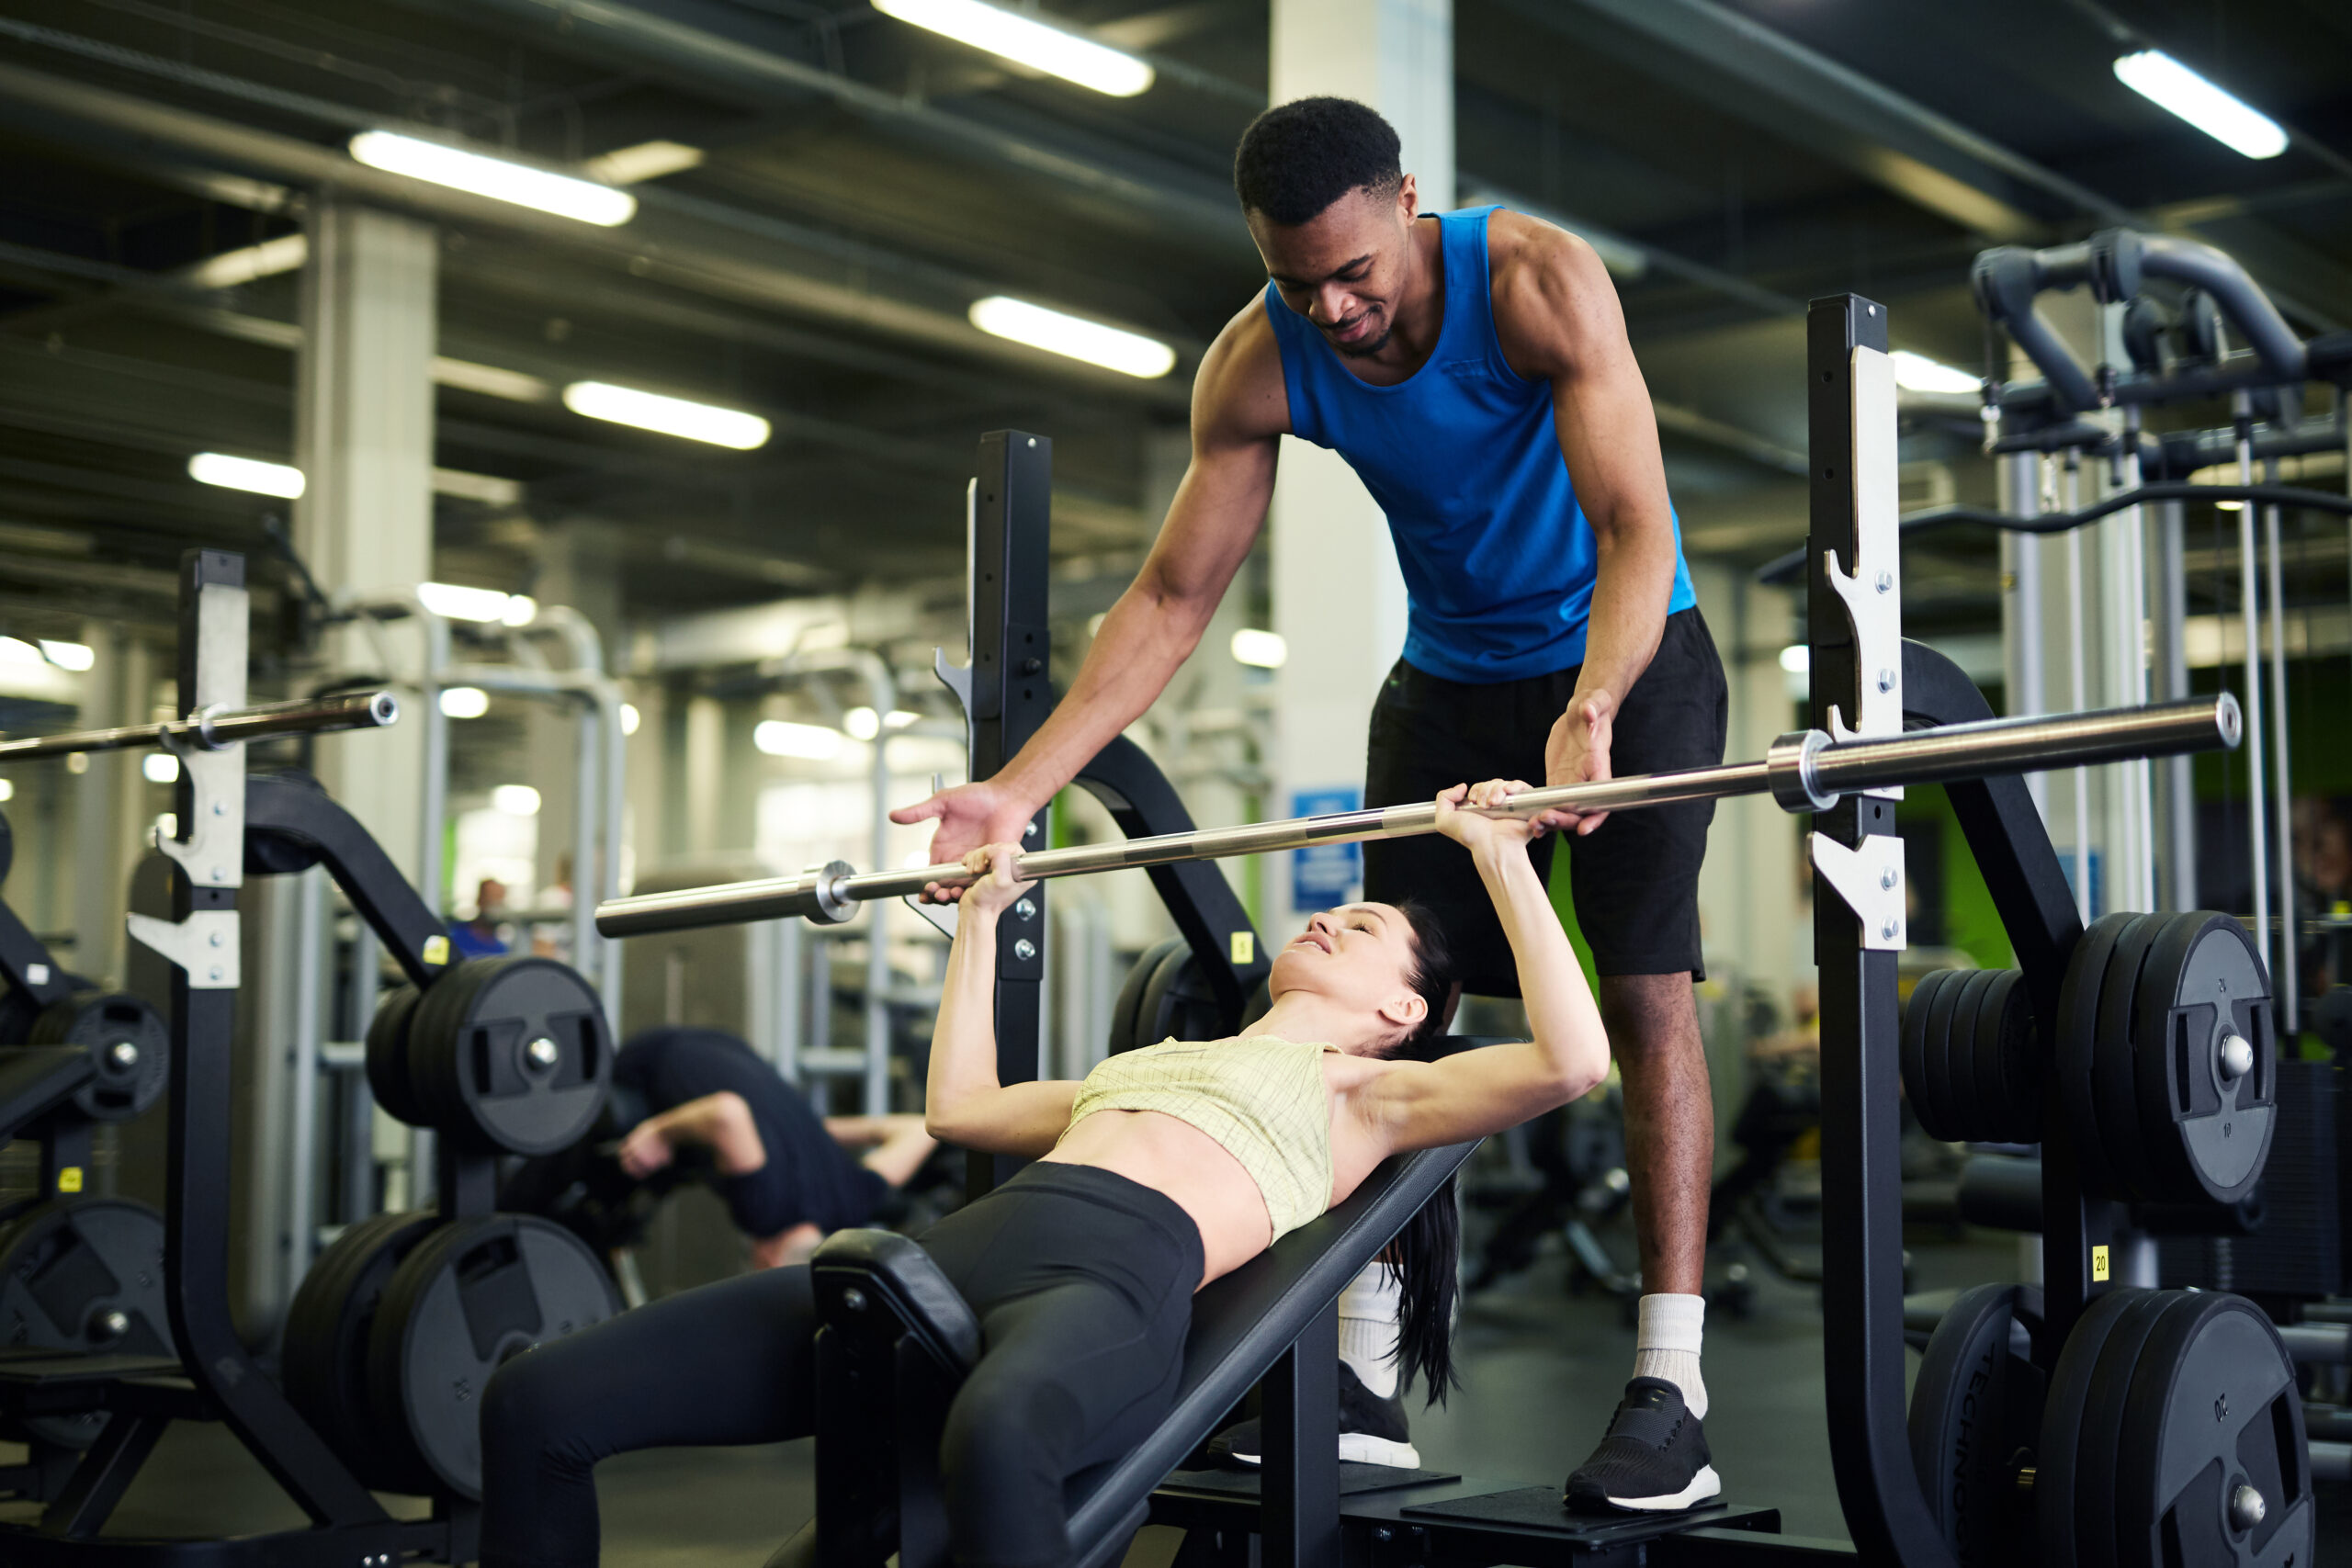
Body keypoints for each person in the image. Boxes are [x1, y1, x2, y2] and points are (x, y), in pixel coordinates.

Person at [887, 96, 1728, 1510]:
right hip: (1448, 678)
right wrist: (1017, 790)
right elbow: (1170, 595)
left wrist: (1589, 708)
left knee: (1642, 993)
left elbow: (1635, 520)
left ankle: (1671, 1380)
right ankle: (1366, 1369)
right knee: (1401, 1008)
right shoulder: (1256, 357)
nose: (1334, 309)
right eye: (1298, 282)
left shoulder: (1533, 279)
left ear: (1410, 202)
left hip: (1627, 660)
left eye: (1357, 273)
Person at [478, 782, 1629, 1568]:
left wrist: (1498, 859)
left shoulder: (1366, 1095)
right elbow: (960, 1109)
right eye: (1334, 907)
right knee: (538, 1402)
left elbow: (1573, 1062)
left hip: (1104, 1282)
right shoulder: (1147, 1060)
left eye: (1362, 923)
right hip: (943, 1263)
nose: (1329, 917)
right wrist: (982, 918)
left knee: (999, 1434)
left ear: (1403, 1010)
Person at [500, 1026, 939, 1271]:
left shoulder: (854, 1200)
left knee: (671, 1167)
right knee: (611, 1157)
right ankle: (503, 1222)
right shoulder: (765, 1215)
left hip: (726, 1046)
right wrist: (661, 1134)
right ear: (766, 1263)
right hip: (657, 1059)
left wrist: (809, 1132)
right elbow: (726, 1114)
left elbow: (919, 1128)